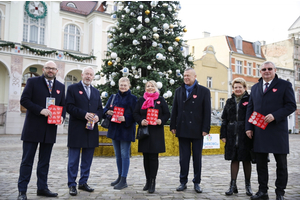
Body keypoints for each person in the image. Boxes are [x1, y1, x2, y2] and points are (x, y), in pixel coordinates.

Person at [245, 61, 296, 200]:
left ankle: (280, 192)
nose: (266, 71)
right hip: (259, 131)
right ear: (260, 71)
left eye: (269, 69)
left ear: (275, 70)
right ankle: (263, 191)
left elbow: (291, 105)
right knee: (261, 164)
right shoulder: (255, 88)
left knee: (281, 164)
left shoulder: (285, 85)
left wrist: (275, 115)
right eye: (263, 69)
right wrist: (249, 127)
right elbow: (250, 108)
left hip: (278, 131)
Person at [17, 61, 66, 200]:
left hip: (49, 129)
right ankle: (22, 191)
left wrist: (61, 117)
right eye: (48, 68)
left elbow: (63, 105)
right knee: (27, 160)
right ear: (44, 69)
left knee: (44, 162)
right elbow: (24, 100)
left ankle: (42, 188)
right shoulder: (33, 82)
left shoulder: (60, 87)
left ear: (57, 71)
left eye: (53, 69)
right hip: (32, 128)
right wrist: (40, 110)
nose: (50, 70)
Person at [170, 68, 211, 193]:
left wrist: (205, 128)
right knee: (184, 158)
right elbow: (175, 110)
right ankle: (183, 181)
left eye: (188, 75)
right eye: (184, 75)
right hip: (182, 129)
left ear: (195, 76)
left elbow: (207, 112)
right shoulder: (179, 91)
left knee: (197, 158)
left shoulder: (204, 91)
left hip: (198, 130)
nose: (186, 77)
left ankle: (197, 182)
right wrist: (173, 126)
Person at [66, 66, 103, 196]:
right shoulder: (72, 89)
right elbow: (69, 107)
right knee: (73, 160)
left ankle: (83, 182)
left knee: (87, 159)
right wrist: (84, 114)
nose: (88, 76)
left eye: (91, 75)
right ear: (82, 75)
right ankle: (72, 184)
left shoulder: (96, 91)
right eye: (86, 74)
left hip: (91, 130)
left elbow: (100, 108)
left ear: (93, 77)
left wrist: (98, 116)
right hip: (76, 130)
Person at [133, 80, 170, 193]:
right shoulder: (141, 100)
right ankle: (147, 181)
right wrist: (141, 120)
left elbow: (167, 114)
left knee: (153, 157)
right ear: (145, 88)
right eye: (148, 86)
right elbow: (135, 113)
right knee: (146, 157)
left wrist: (161, 120)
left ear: (155, 88)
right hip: (145, 131)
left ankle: (153, 182)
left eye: (152, 86)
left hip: (156, 132)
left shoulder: (160, 100)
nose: (149, 88)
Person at [102, 77, 137, 190]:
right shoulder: (113, 97)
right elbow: (104, 110)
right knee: (118, 154)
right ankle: (119, 176)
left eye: (125, 85)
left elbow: (136, 115)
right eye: (121, 85)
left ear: (129, 86)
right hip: (114, 129)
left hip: (126, 130)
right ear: (118, 85)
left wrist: (125, 118)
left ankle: (124, 179)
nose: (123, 87)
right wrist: (108, 111)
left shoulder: (133, 98)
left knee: (124, 154)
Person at [220, 77, 253, 196]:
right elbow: (224, 119)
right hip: (231, 134)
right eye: (235, 87)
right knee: (234, 159)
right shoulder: (229, 101)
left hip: (246, 134)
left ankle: (248, 186)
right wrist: (223, 134)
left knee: (246, 159)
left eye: (240, 87)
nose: (237, 89)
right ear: (232, 89)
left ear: (244, 88)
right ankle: (232, 185)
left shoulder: (250, 100)